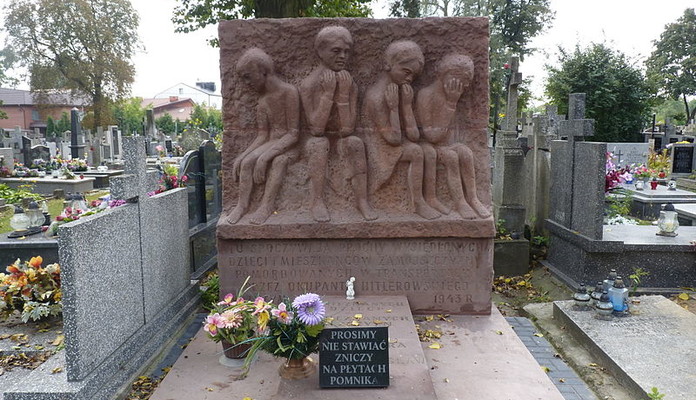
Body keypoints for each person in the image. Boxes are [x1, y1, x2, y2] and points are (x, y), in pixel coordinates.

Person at [299, 26, 377, 222]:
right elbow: (316, 130)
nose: (343, 56)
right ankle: (317, 201)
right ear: (320, 51)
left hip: (341, 138)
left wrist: (342, 96)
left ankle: (362, 201)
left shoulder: (349, 84)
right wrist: (327, 95)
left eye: (346, 51)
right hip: (318, 140)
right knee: (319, 144)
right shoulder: (309, 85)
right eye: (336, 51)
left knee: (355, 143)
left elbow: (348, 129)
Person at [362, 40, 440, 220]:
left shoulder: (401, 91)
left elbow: (413, 135)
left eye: (413, 76)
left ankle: (431, 198)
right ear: (388, 65)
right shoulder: (376, 97)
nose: (410, 79)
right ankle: (417, 203)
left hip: (394, 143)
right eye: (406, 72)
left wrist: (405, 106)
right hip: (378, 148)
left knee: (428, 151)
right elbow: (394, 138)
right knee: (416, 152)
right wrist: (393, 109)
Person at [224, 48, 300, 225]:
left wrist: (265, 157)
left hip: (291, 145)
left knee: (279, 161)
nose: (246, 83)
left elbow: (293, 134)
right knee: (247, 163)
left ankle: (266, 206)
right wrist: (242, 157)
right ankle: (242, 206)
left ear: (263, 71)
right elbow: (262, 135)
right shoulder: (263, 101)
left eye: (248, 77)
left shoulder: (289, 92)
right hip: (272, 142)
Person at [416, 53, 490, 219]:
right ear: (446, 74)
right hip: (427, 145)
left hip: (446, 145)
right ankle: (460, 202)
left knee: (466, 152)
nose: (464, 86)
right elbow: (432, 136)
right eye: (461, 80)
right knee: (451, 157)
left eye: (466, 82)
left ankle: (473, 198)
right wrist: (450, 104)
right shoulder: (426, 95)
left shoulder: (452, 96)